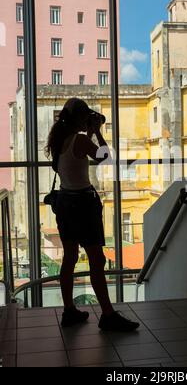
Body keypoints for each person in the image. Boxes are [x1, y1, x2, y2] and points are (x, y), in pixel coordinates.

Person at [45, 97, 139, 332]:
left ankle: (69, 310)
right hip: (83, 204)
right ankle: (107, 315)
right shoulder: (80, 139)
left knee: (69, 258)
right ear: (79, 118)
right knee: (97, 260)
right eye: (85, 116)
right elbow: (107, 158)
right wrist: (96, 131)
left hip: (65, 203)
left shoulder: (59, 141)